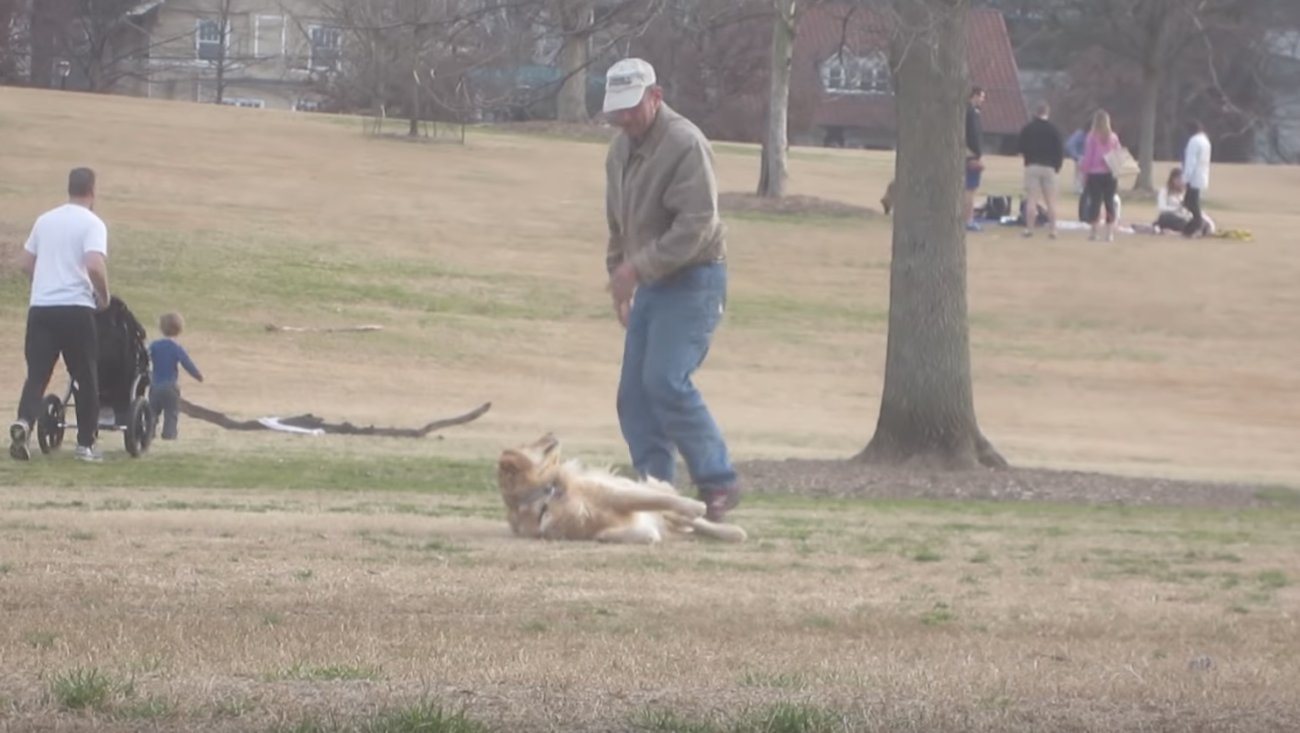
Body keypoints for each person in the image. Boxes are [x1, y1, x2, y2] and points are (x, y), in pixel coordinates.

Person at [600, 57, 741, 523]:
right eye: (616, 110)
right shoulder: (619, 152)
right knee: (634, 397)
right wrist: (619, 276)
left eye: (632, 107)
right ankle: (657, 493)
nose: (624, 118)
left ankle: (718, 481)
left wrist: (636, 269)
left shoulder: (685, 144)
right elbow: (619, 225)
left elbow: (697, 226)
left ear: (655, 97)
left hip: (695, 279)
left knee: (665, 380)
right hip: (650, 280)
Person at [10, 167, 110, 462]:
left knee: (37, 374)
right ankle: (85, 444)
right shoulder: (92, 224)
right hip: (75, 308)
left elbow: (26, 263)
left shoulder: (45, 220)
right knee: (83, 376)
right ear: (92, 191)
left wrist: (43, 285)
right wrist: (102, 296)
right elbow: (93, 264)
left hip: (41, 308)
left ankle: (25, 423)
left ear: (69, 188)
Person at [147, 312, 204, 440]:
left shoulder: (154, 345)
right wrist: (197, 375)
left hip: (155, 385)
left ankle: (149, 432)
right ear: (179, 330)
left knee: (152, 411)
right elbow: (187, 363)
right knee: (171, 412)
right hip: (171, 386)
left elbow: (146, 357)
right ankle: (169, 434)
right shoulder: (176, 348)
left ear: (161, 328)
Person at [1017, 100, 1064, 239]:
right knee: (1050, 201)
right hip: (1049, 167)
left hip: (1032, 165)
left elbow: (1020, 148)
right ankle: (1053, 230)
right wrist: (1057, 167)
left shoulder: (1028, 128)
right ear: (1047, 113)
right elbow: (1060, 150)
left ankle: (1029, 229)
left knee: (1032, 200)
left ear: (1036, 113)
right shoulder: (1054, 130)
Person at [1079, 109, 1122, 242]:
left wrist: (1084, 173)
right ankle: (1109, 233)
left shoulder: (1092, 137)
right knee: (1109, 203)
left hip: (1095, 174)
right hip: (1110, 174)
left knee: (1095, 203)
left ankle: (1094, 232)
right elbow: (1118, 155)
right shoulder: (1113, 137)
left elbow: (1088, 157)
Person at [1154, 167, 1215, 235]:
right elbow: (1162, 208)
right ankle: (1189, 231)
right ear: (1172, 180)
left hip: (1186, 218)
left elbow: (1195, 211)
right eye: (1178, 179)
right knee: (1165, 217)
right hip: (1171, 217)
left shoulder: (1186, 194)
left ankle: (1189, 231)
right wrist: (1178, 208)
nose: (1181, 182)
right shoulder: (1164, 191)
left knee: (1200, 222)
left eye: (1182, 180)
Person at [1181, 119, 1212, 238]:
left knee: (1191, 203)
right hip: (1202, 175)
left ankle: (1198, 224)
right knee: (1190, 202)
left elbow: (1191, 162)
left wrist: (1185, 178)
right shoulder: (1205, 141)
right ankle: (1191, 227)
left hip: (1194, 177)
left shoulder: (1194, 141)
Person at [964, 86, 987, 232]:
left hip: (968, 153)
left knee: (968, 189)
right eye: (982, 97)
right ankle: (968, 219)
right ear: (975, 96)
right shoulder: (971, 114)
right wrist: (977, 154)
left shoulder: (969, 112)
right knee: (970, 189)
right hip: (970, 155)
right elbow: (973, 136)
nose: (983, 100)